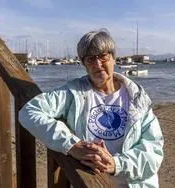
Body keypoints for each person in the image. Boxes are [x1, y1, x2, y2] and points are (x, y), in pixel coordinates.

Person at [19, 29, 164, 187]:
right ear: (84, 64)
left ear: (114, 58)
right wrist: (72, 145)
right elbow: (29, 111)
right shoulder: (74, 93)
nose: (97, 64)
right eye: (90, 59)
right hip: (90, 183)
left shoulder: (137, 98)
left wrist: (116, 164)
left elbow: (153, 151)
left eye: (103, 56)